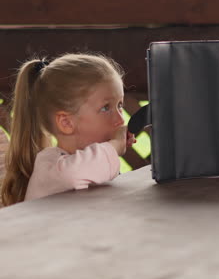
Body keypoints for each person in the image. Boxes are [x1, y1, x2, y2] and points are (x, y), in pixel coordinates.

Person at [1, 53, 136, 206]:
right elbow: (75, 173)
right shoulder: (50, 166)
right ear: (66, 123)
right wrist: (115, 146)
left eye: (120, 105)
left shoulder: (92, 164)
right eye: (106, 108)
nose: (121, 119)